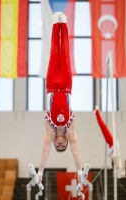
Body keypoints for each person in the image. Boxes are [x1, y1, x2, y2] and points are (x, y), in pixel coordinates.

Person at [37, 12, 88, 184]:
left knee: (54, 52)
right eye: (62, 145)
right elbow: (76, 152)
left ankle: (54, 24)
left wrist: (39, 173)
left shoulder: (49, 131)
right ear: (66, 141)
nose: (59, 144)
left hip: (52, 85)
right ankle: (63, 24)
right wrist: (79, 171)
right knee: (65, 53)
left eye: (57, 146)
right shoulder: (70, 131)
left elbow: (45, 153)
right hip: (66, 85)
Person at [94, 105, 125, 178]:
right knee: (102, 125)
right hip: (110, 142)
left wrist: (120, 169)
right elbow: (118, 164)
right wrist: (121, 172)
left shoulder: (114, 157)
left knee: (102, 125)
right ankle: (96, 112)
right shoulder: (112, 157)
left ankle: (97, 112)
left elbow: (118, 164)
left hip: (110, 141)